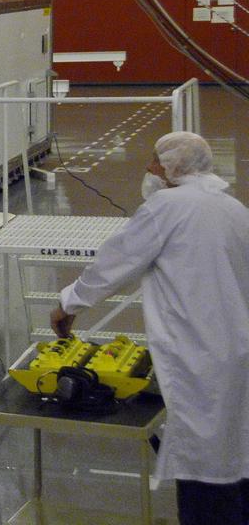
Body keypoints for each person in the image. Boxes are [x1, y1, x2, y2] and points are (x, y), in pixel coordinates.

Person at [50, 131, 249, 525]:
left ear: (174, 168)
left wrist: (68, 303)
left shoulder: (167, 207)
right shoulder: (232, 208)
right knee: (235, 448)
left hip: (198, 354)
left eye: (155, 162)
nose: (149, 170)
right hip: (235, 349)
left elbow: (117, 262)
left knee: (202, 461)